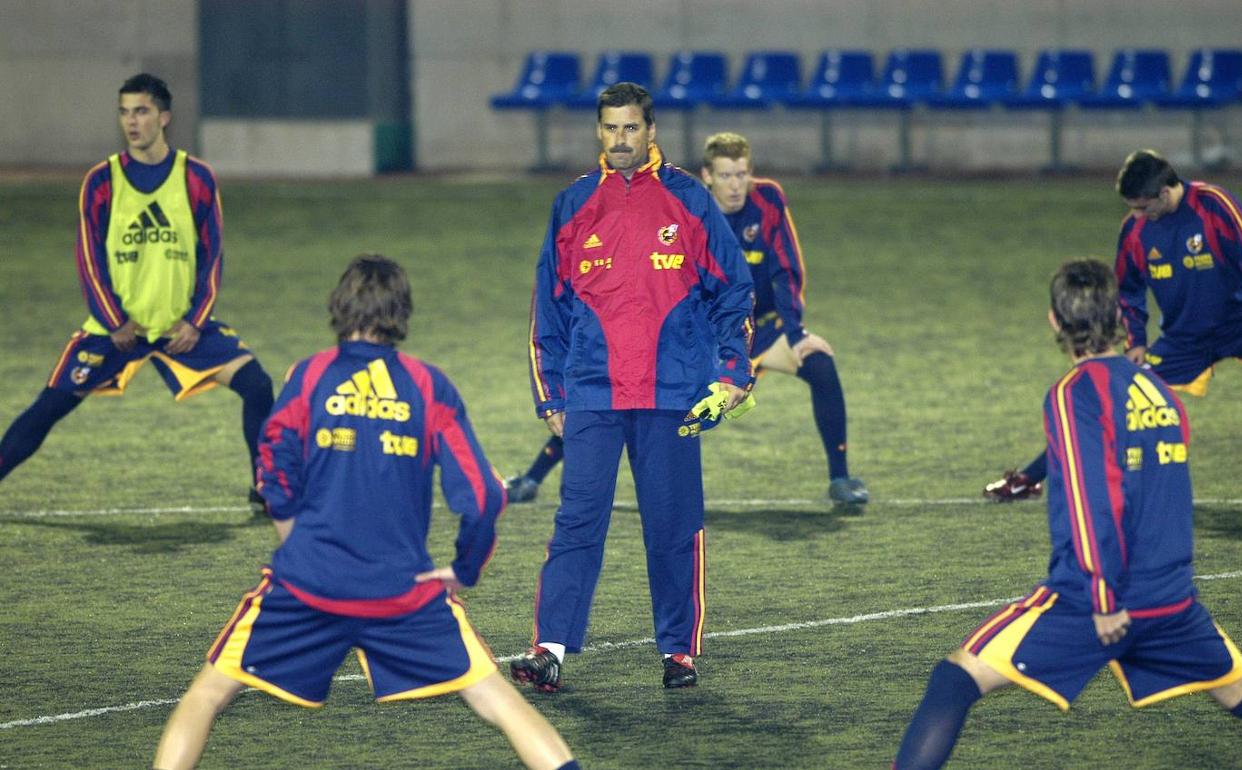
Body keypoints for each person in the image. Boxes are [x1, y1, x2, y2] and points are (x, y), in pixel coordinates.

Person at [153, 255, 580, 770]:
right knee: (498, 702)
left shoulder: (309, 376)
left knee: (208, 695)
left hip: (308, 581)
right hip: (400, 589)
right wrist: (464, 568)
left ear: (339, 305)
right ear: (402, 312)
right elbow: (484, 495)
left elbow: (272, 466)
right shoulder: (428, 385)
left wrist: (294, 536)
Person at [895, 259, 1242, 769]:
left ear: (1055, 323)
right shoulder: (1159, 390)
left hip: (1094, 603)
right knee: (1237, 693)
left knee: (954, 680)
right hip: (1171, 600)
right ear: (1118, 316)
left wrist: (1104, 599)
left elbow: (1092, 500)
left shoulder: (1072, 392)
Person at [508, 83, 755, 691]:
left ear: (650, 130)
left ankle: (678, 651)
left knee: (672, 524)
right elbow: (550, 305)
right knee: (577, 522)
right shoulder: (572, 204)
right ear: (599, 131)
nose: (620, 139)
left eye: (631, 128)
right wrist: (551, 393)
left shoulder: (689, 199)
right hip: (592, 391)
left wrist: (732, 371)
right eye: (610, 128)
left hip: (673, 391)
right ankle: (551, 648)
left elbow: (735, 291)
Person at [505, 131, 867, 507]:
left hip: (761, 330)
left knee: (820, 364)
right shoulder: (685, 208)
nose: (735, 185)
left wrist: (797, 334)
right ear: (706, 176)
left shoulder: (769, 200)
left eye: (742, 175)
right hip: (705, 339)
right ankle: (533, 477)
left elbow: (785, 269)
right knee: (624, 398)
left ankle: (840, 477)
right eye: (726, 176)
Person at [0, 73, 274, 512]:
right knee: (48, 406)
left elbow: (213, 257)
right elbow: (89, 261)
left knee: (257, 385)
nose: (132, 121)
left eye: (142, 111)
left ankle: (264, 488)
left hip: (180, 329)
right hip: (115, 331)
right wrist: (114, 323)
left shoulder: (197, 178)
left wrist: (195, 322)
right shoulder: (101, 181)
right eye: (125, 112)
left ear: (164, 117)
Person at [985, 149, 1242, 502]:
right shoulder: (1135, 230)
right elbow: (1129, 289)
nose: (1136, 215)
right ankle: (1028, 479)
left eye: (1142, 207)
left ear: (1166, 193)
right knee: (1114, 400)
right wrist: (1136, 340)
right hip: (1186, 340)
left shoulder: (1215, 206)